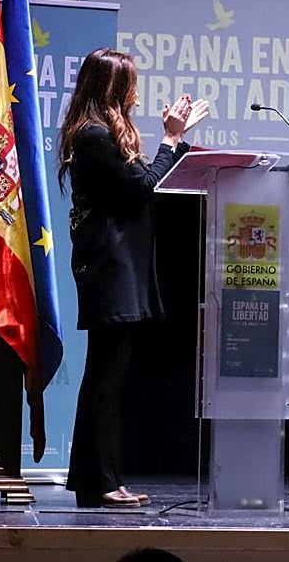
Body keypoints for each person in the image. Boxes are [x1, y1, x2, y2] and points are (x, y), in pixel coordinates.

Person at [58, 48, 210, 508]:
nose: (136, 95)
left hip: (119, 266)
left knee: (107, 377)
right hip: (109, 269)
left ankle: (97, 480)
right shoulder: (93, 136)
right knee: (104, 379)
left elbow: (139, 181)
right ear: (112, 88)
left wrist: (175, 144)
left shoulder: (101, 133)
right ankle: (98, 482)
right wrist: (171, 140)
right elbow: (141, 186)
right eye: (130, 85)